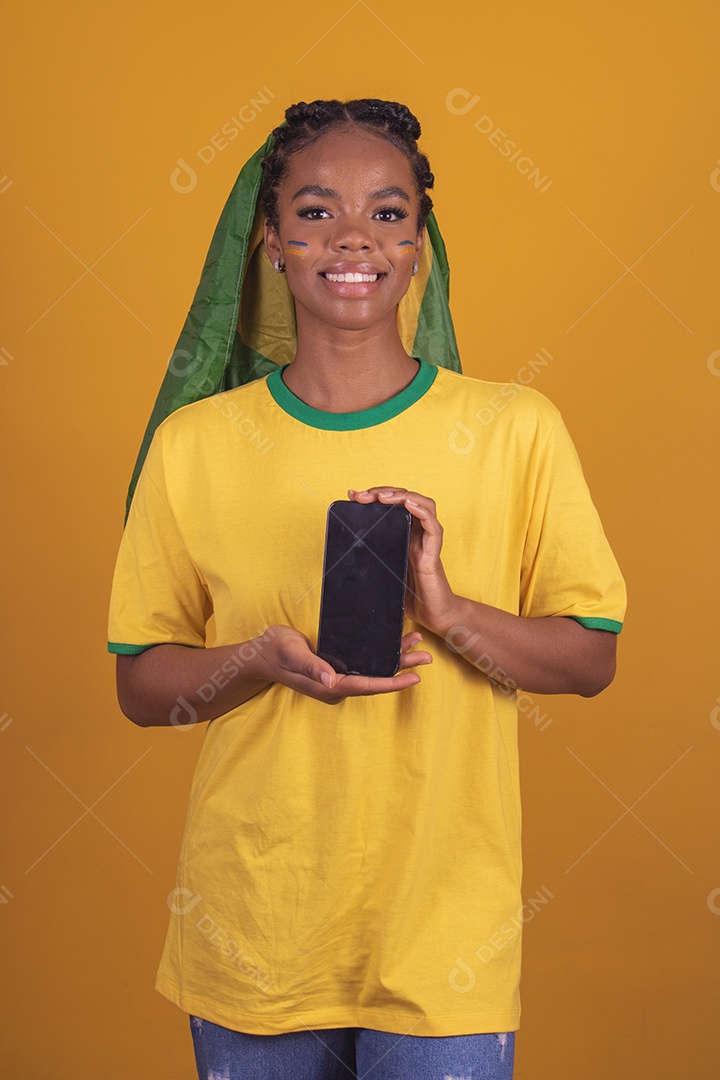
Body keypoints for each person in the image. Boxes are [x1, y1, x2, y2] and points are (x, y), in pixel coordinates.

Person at [108, 98, 626, 1080]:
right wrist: (259, 660)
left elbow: (591, 660)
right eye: (314, 211)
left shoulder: (517, 428)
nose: (353, 238)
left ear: (420, 242)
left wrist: (449, 612)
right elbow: (142, 688)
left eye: (388, 212)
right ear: (270, 243)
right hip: (254, 935)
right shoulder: (196, 444)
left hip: (445, 941)